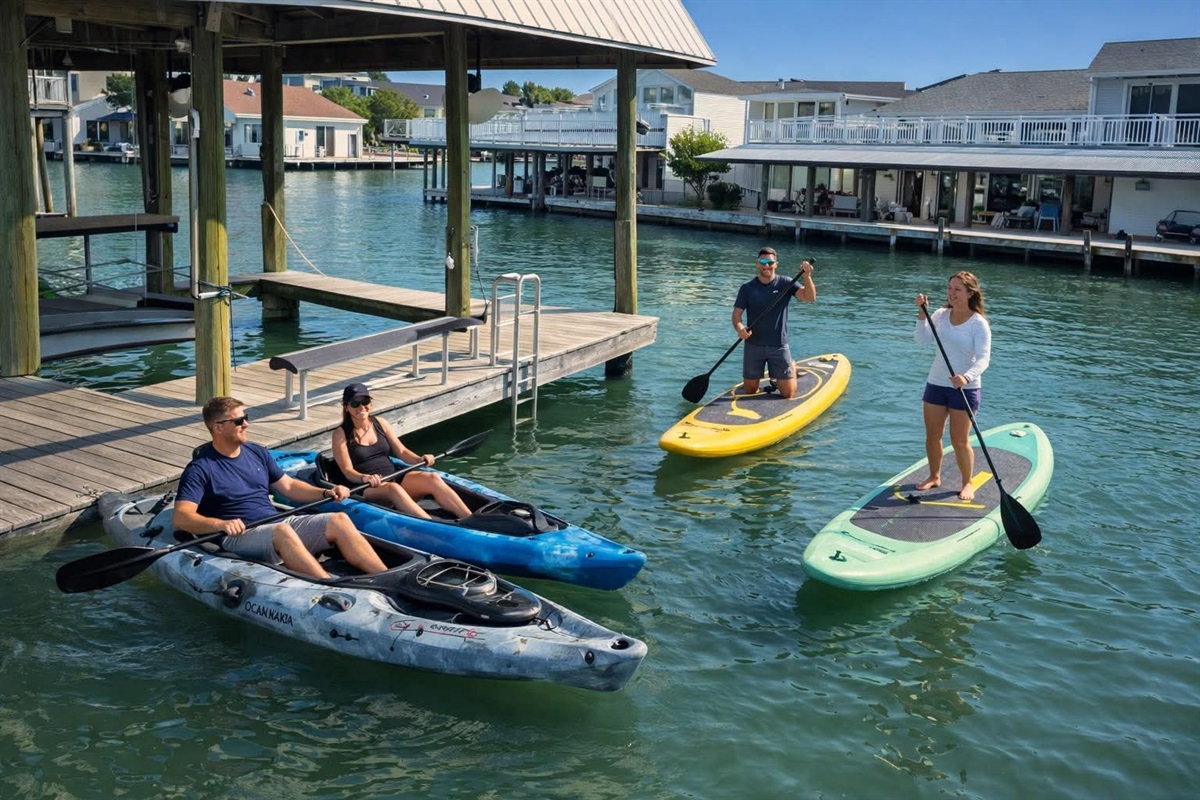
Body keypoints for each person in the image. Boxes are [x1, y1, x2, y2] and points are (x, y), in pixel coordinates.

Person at [173, 397, 388, 579]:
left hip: (274, 523)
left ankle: (386, 577)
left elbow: (288, 486)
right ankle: (327, 584)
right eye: (239, 420)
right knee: (282, 531)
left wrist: (326, 492)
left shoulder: (256, 452)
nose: (246, 424)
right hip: (240, 536)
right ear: (218, 427)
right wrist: (221, 523)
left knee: (338, 519)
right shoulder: (200, 468)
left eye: (246, 418)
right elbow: (182, 517)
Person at [331, 383, 472, 520]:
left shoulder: (380, 423)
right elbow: (348, 471)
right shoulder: (340, 434)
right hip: (368, 487)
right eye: (355, 404)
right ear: (346, 407)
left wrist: (419, 459)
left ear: (370, 403)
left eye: (365, 401)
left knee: (432, 478)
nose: (361, 407)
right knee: (393, 489)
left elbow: (402, 451)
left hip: (395, 477)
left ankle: (470, 518)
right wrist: (365, 478)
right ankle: (432, 525)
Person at [913, 271, 992, 502]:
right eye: (950, 288)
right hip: (936, 383)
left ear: (970, 293)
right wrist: (921, 314)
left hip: (965, 388)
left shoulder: (979, 324)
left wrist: (966, 377)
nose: (952, 293)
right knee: (933, 435)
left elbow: (983, 359)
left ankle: (967, 482)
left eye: (958, 289)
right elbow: (922, 339)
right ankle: (934, 476)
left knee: (959, 439)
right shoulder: (939, 315)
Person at [732, 247, 816, 399]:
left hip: (778, 346)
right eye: (763, 262)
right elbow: (737, 315)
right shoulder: (747, 288)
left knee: (788, 394)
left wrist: (807, 277)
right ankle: (775, 373)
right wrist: (740, 328)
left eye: (770, 262)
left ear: (776, 264)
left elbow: (809, 298)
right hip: (753, 345)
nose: (766, 266)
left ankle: (791, 366)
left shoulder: (786, 283)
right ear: (757, 264)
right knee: (750, 390)